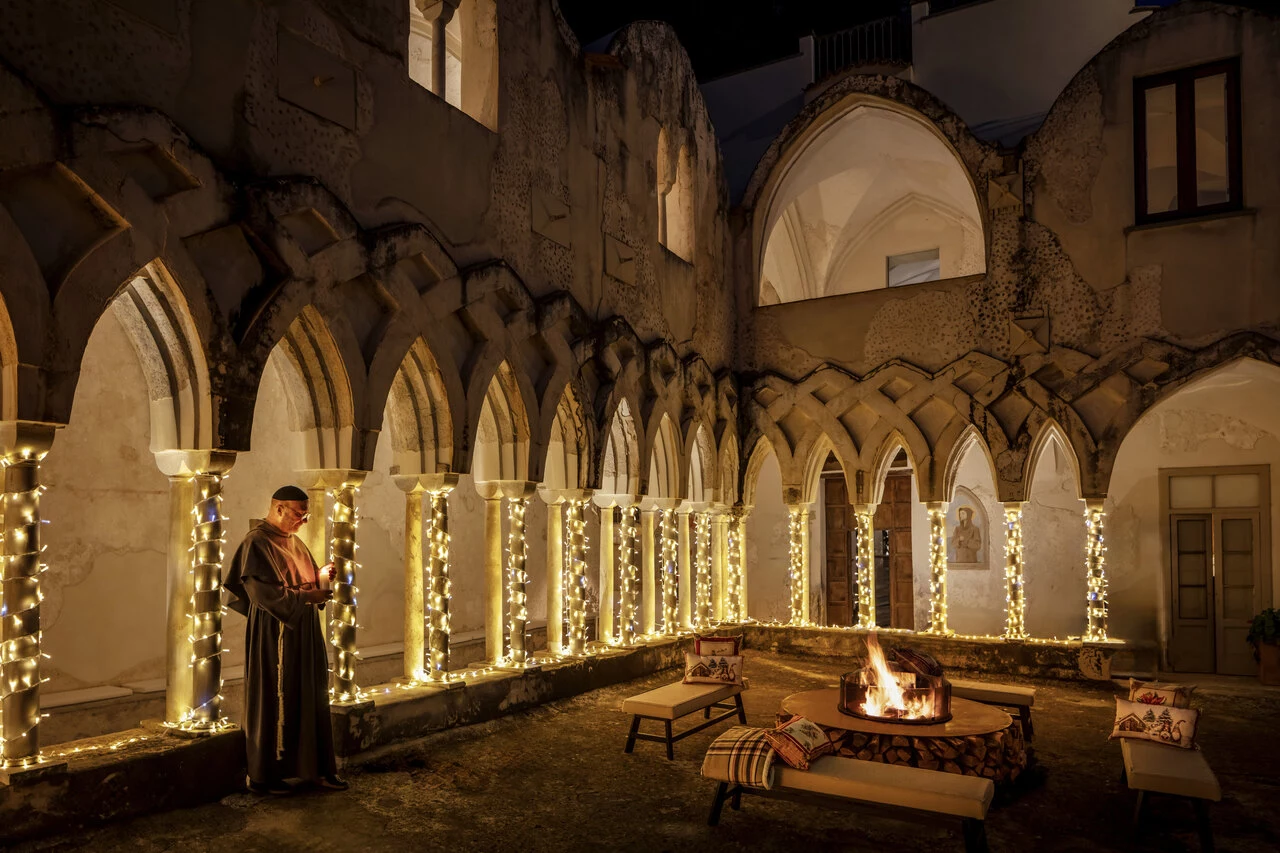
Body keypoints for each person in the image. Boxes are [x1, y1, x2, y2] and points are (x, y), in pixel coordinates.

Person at [224, 485, 348, 795]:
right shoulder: (256, 544)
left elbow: (303, 581)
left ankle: (314, 769)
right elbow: (263, 595)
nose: (304, 521)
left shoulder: (296, 542)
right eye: (299, 514)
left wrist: (321, 577)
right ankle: (264, 776)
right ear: (279, 508)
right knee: (273, 696)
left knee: (311, 694)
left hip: (304, 633)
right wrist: (307, 596)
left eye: (307, 515)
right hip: (274, 634)